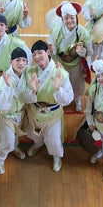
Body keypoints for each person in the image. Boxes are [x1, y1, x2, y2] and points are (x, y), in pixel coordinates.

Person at [23, 40, 74, 172]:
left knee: (54, 140)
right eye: (34, 54)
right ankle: (38, 144)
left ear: (48, 52)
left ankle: (56, 156)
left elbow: (68, 99)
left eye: (40, 52)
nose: (37, 56)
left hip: (53, 113)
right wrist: (33, 91)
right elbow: (25, 98)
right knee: (35, 134)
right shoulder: (29, 72)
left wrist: (58, 89)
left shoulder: (61, 73)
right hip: (35, 111)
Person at [47, 1, 93, 111]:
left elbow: (90, 52)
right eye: (66, 18)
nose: (69, 21)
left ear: (76, 17)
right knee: (61, 83)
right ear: (62, 20)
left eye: (72, 18)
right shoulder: (55, 31)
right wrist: (54, 58)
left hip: (76, 63)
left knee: (76, 84)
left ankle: (77, 100)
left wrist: (81, 52)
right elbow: (52, 50)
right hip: (60, 62)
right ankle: (61, 100)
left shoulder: (83, 32)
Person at [0, 47, 30, 174]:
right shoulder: (4, 80)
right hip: (7, 115)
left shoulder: (25, 75)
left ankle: (14, 148)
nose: (21, 63)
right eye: (17, 60)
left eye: (24, 60)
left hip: (20, 113)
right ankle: (0, 159)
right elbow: (0, 104)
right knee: (7, 141)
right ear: (11, 62)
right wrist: (8, 87)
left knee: (15, 137)